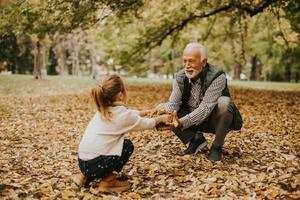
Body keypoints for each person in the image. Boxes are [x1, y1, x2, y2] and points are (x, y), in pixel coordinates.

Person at [72, 75, 172, 192]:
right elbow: (144, 124)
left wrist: (147, 112)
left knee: (100, 147)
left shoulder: (102, 110)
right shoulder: (123, 115)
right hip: (97, 165)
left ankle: (83, 177)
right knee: (127, 146)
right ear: (120, 94)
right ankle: (108, 182)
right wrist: (160, 119)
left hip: (83, 163)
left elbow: (129, 114)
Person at [158, 43, 243, 161]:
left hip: (213, 120)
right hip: (191, 120)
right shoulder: (180, 77)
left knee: (225, 103)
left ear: (203, 62)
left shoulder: (217, 76)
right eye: (185, 61)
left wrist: (180, 122)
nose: (187, 66)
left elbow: (205, 109)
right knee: (162, 108)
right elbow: (173, 104)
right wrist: (159, 116)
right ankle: (195, 139)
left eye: (191, 61)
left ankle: (217, 147)